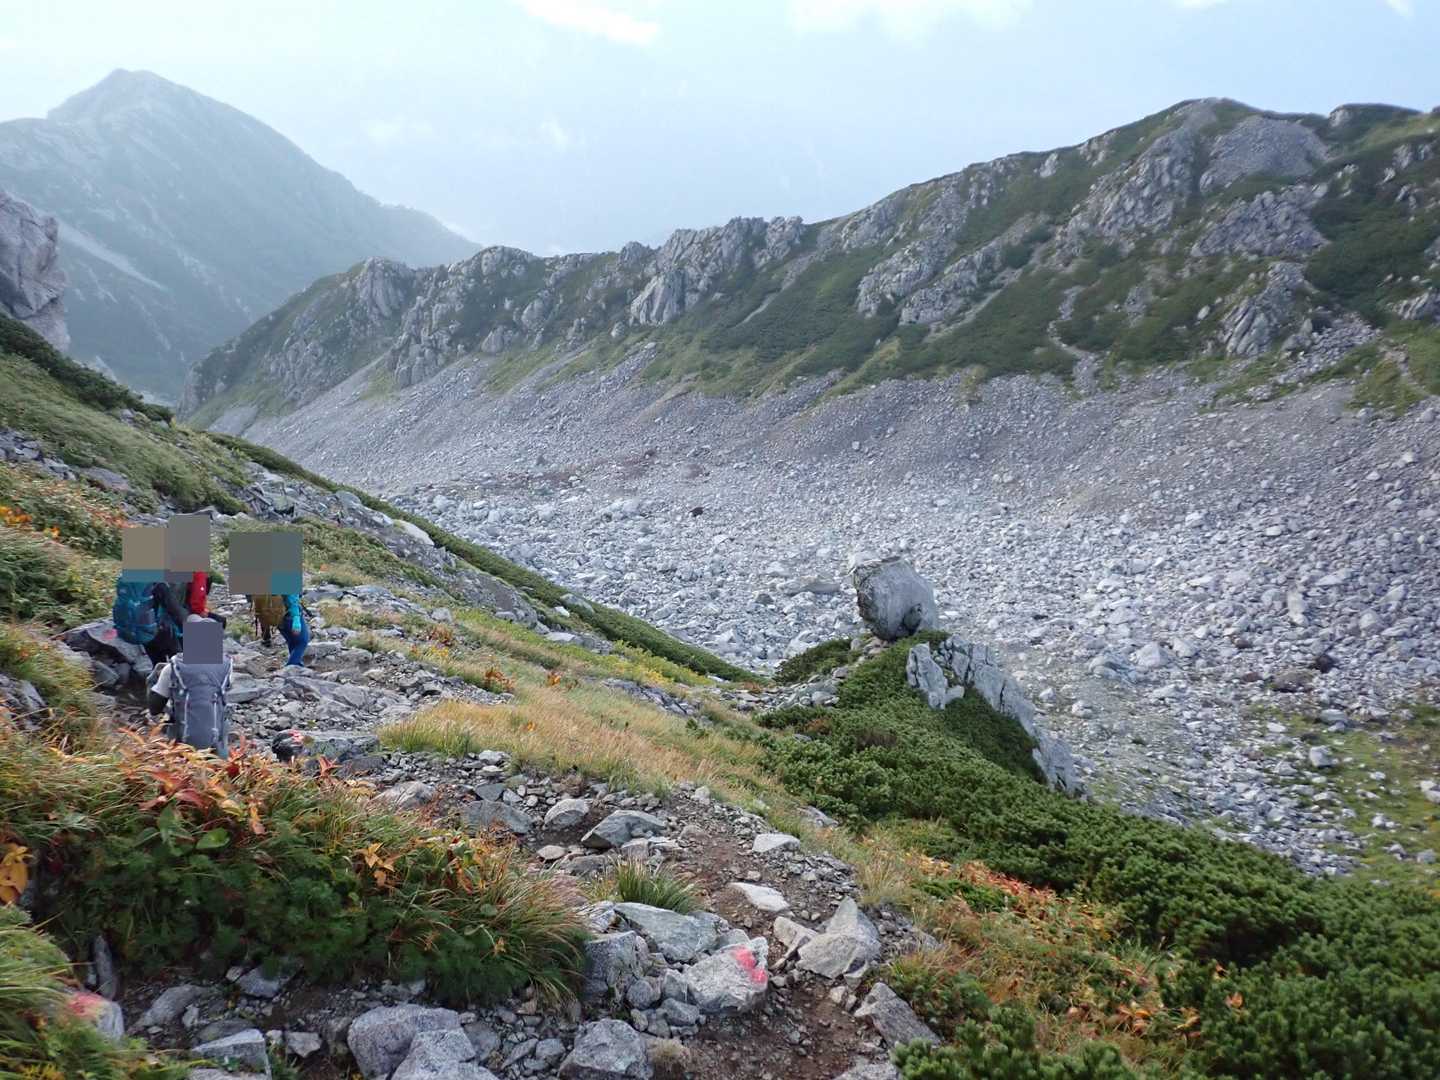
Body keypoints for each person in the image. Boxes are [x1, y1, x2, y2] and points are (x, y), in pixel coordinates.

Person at [147, 615, 233, 754]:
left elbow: (154, 708)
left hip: (184, 742)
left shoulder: (173, 667)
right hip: (214, 741)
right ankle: (222, 755)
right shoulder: (226, 666)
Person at [277, 593, 310, 668]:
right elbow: (292, 600)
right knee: (303, 641)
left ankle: (296, 663)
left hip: (275, 617)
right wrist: (296, 618)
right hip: (289, 616)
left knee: (292, 641)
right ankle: (292, 666)